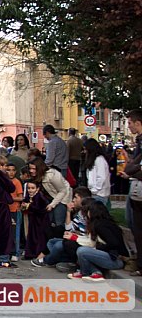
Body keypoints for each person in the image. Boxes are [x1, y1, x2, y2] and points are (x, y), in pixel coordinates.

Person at [68, 201, 129, 282]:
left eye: (89, 211)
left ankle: (84, 272)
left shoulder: (101, 226)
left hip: (116, 260)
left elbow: (114, 243)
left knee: (82, 251)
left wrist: (99, 247)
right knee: (83, 252)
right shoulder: (99, 224)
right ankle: (96, 273)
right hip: (109, 257)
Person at [120, 109, 142, 277]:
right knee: (134, 225)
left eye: (129, 123)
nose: (128, 127)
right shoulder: (138, 141)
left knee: (137, 226)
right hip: (136, 188)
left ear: (137, 123)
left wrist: (131, 170)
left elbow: (136, 167)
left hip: (139, 189)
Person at [28, 157, 72, 231]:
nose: (31, 171)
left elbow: (63, 191)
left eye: (34, 169)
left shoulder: (52, 175)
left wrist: (52, 204)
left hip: (62, 198)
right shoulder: (37, 176)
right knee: (49, 222)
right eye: (30, 168)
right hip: (51, 198)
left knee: (58, 223)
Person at [22, 182, 50, 260]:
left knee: (39, 238)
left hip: (40, 221)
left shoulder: (40, 197)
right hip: (32, 220)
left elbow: (39, 208)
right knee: (31, 236)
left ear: (37, 189)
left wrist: (28, 206)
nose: (30, 190)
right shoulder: (29, 196)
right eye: (29, 188)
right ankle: (30, 253)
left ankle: (37, 254)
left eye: (32, 188)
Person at [6, 162, 24, 262]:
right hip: (6, 210)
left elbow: (20, 198)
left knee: (15, 233)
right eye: (8, 170)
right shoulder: (4, 181)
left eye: (13, 170)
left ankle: (15, 252)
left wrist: (10, 198)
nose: (11, 172)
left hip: (14, 209)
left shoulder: (17, 182)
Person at [84, 138, 110, 205]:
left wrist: (95, 189)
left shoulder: (99, 160)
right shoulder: (94, 160)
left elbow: (102, 177)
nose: (84, 152)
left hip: (100, 194)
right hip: (95, 192)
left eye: (86, 149)